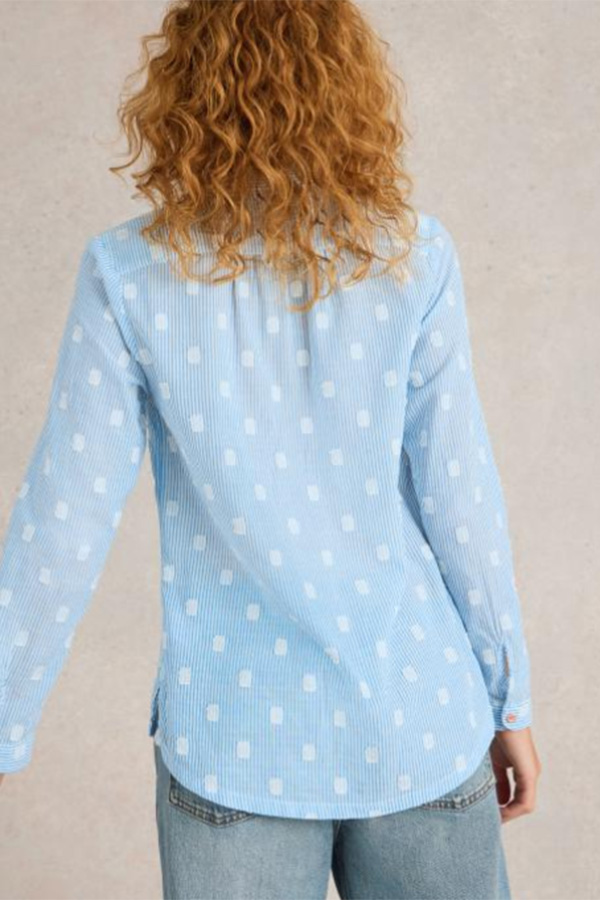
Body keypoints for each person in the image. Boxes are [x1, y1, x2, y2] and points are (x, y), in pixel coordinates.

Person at [0, 0, 541, 897]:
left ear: (182, 94)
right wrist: (507, 698)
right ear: (349, 90)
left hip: (233, 738)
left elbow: (63, 518)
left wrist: (5, 719)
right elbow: (462, 502)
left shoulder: (130, 272)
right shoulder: (412, 255)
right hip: (418, 720)